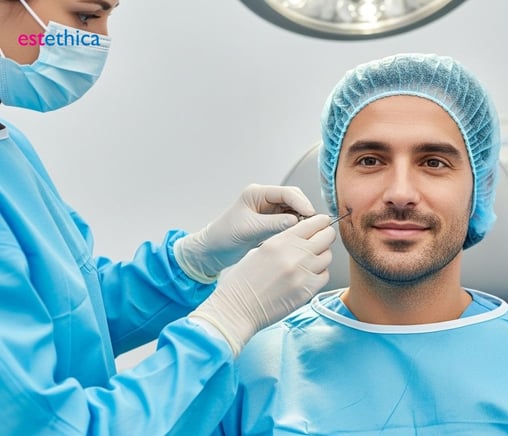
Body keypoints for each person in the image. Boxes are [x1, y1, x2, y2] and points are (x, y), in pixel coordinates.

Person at [216, 53, 508, 435]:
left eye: (434, 162)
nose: (401, 192)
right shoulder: (252, 374)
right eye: (370, 160)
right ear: (333, 187)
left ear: (478, 189)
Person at [0, 1, 336, 434]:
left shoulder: (10, 149)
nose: (98, 40)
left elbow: (67, 310)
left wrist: (192, 261)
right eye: (84, 16)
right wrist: (225, 322)